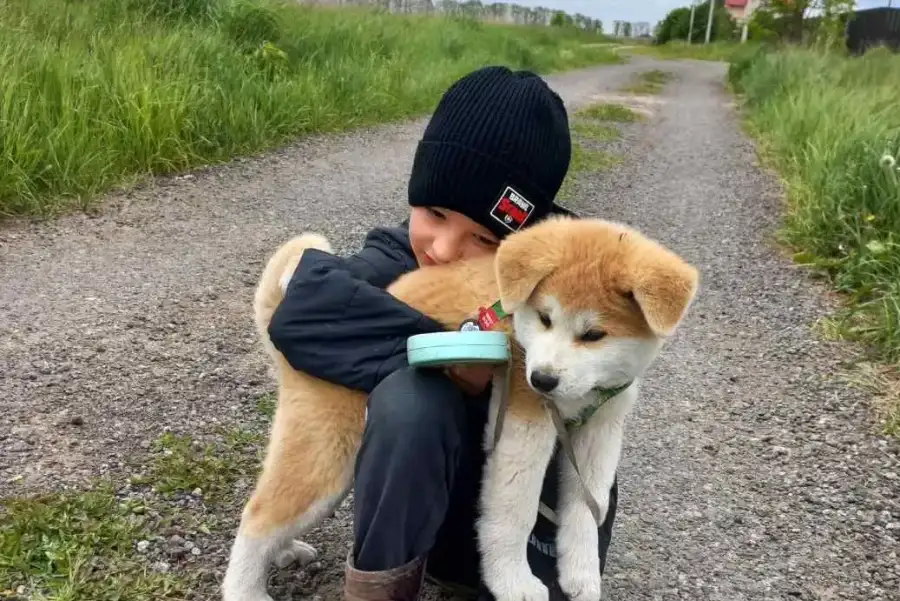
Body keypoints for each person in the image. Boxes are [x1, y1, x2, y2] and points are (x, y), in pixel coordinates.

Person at [267, 65, 618, 601]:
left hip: (528, 534)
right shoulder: (396, 258)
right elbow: (302, 313)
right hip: (431, 535)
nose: (443, 250)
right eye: (433, 212)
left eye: (483, 237)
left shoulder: (562, 289)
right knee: (415, 395)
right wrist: (451, 348)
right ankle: (380, 586)